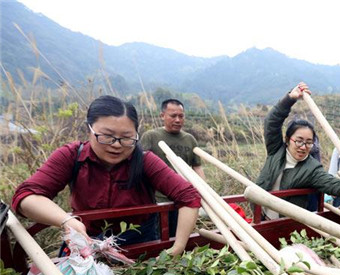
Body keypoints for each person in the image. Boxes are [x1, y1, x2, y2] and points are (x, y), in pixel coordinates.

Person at [12, 95, 201, 256]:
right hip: (87, 242)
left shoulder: (145, 160)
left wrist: (178, 247)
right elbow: (25, 197)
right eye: (107, 136)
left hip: (139, 244)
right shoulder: (71, 156)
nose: (117, 145)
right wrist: (67, 220)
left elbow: (188, 196)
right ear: (90, 129)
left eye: (127, 138)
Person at [255, 82, 340, 220]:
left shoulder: (312, 168)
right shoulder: (276, 150)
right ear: (287, 139)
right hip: (259, 214)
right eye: (299, 140)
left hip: (284, 223)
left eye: (309, 142)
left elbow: (333, 184)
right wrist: (290, 98)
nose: (303, 147)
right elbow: (271, 122)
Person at [141, 99, 205, 236]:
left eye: (181, 116)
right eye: (173, 116)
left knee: (178, 236)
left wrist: (203, 190)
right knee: (158, 238)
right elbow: (138, 167)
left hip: (183, 201)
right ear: (162, 116)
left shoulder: (189, 139)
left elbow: (197, 167)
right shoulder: (151, 137)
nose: (177, 120)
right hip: (157, 201)